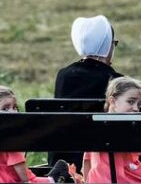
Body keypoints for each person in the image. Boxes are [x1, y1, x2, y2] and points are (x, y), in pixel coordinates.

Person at [51, 15, 123, 167]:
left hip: (62, 160)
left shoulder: (64, 75)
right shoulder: (115, 80)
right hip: (99, 164)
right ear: (107, 45)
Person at [0, 86, 69, 184]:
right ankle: (51, 181)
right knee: (38, 180)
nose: (12, 112)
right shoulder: (11, 141)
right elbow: (24, 178)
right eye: (5, 108)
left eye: (14, 107)